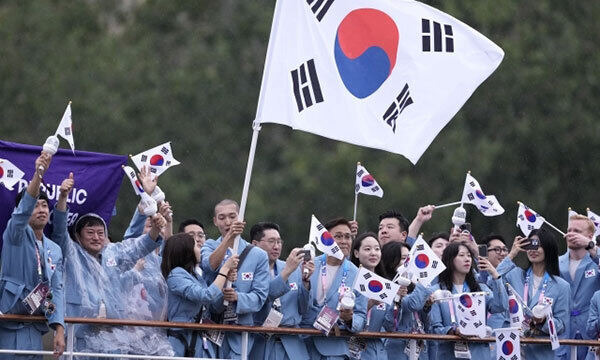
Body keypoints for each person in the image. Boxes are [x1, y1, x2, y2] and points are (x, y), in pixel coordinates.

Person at [51, 173, 167, 355]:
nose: (96, 237)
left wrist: (155, 229)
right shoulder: (71, 253)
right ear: (79, 237)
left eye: (100, 233)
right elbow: (59, 229)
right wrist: (63, 197)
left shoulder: (112, 253)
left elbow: (139, 247)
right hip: (79, 333)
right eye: (90, 233)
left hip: (113, 334)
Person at [0, 153, 65, 358]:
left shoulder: (54, 249)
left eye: (44, 205)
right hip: (10, 325)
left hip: (36, 327)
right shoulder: (15, 233)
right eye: (35, 205)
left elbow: (56, 289)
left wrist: (59, 328)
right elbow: (20, 215)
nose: (41, 209)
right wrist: (38, 175)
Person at [200, 199, 269, 359]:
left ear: (240, 218)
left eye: (232, 216)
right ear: (215, 221)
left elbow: (260, 296)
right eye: (222, 217)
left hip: (241, 329)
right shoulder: (209, 245)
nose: (228, 222)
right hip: (213, 326)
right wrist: (229, 237)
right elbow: (209, 265)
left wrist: (238, 297)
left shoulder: (258, 255)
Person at [162, 233, 238, 358]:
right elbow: (207, 296)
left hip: (197, 336)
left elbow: (212, 305)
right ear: (186, 251)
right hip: (182, 337)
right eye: (196, 246)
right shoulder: (176, 275)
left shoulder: (194, 275)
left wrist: (225, 285)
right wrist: (223, 271)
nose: (200, 249)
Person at [497, 228, 570, 360]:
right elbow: (494, 281)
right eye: (530, 245)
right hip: (511, 350)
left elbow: (561, 326)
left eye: (538, 245)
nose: (533, 249)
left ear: (548, 248)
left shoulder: (562, 286)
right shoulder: (515, 274)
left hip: (541, 353)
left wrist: (543, 321)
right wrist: (511, 255)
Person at [302, 217, 367, 360]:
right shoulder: (309, 265)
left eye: (347, 237)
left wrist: (349, 319)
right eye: (338, 236)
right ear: (326, 239)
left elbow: (361, 317)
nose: (344, 241)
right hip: (303, 345)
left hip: (335, 350)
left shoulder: (357, 274)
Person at [430, 242, 507, 360]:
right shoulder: (437, 291)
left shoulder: (479, 288)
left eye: (469, 256)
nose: (467, 259)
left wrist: (495, 275)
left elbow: (501, 306)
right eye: (461, 255)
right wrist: (454, 331)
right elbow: (435, 328)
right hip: (450, 353)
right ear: (450, 259)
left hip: (478, 353)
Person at [250, 222, 314, 360]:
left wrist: (306, 282)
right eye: (271, 241)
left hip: (292, 345)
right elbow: (264, 298)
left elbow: (304, 309)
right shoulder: (249, 271)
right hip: (263, 343)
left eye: (279, 241)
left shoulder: (293, 269)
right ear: (255, 244)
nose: (277, 246)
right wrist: (287, 272)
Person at [378, 241, 432, 360]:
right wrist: (424, 280)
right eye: (404, 259)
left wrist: (427, 306)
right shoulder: (385, 287)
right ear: (391, 261)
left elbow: (427, 324)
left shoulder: (413, 286)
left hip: (418, 350)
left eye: (410, 259)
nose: (409, 264)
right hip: (396, 351)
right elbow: (412, 304)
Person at [558, 214, 600, 360]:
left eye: (577, 231)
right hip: (564, 331)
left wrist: (591, 247)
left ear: (590, 236)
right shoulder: (557, 263)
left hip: (592, 332)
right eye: (569, 230)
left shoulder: (596, 259)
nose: (571, 234)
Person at [349, 232, 388, 360]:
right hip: (351, 350)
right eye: (367, 249)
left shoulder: (386, 286)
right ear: (356, 253)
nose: (373, 253)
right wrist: (369, 305)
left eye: (377, 249)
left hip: (378, 353)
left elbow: (392, 325)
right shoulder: (349, 280)